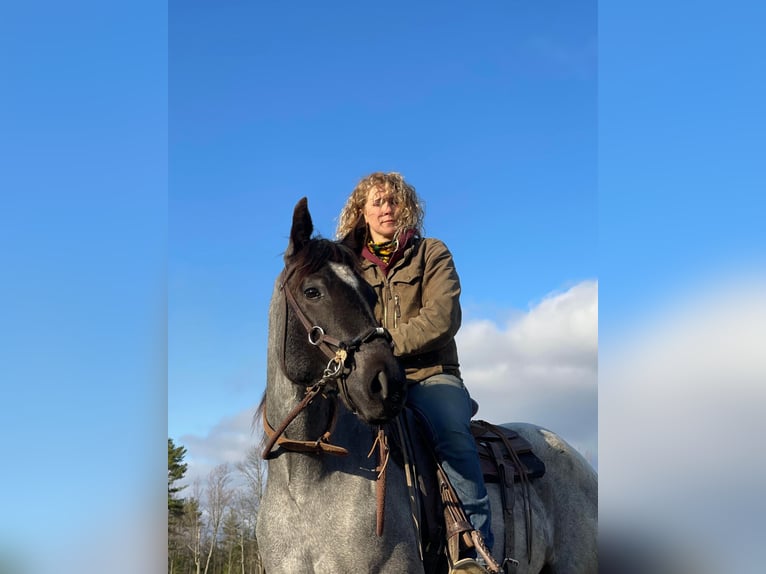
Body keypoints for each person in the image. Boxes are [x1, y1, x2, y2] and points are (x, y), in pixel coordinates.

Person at [336, 172, 494, 573]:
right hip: (369, 382)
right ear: (362, 212)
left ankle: (473, 549)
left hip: (430, 375)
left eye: (394, 201)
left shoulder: (431, 252)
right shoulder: (349, 267)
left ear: (407, 208)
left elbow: (443, 317)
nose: (387, 208)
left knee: (449, 430)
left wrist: (384, 346)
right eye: (377, 202)